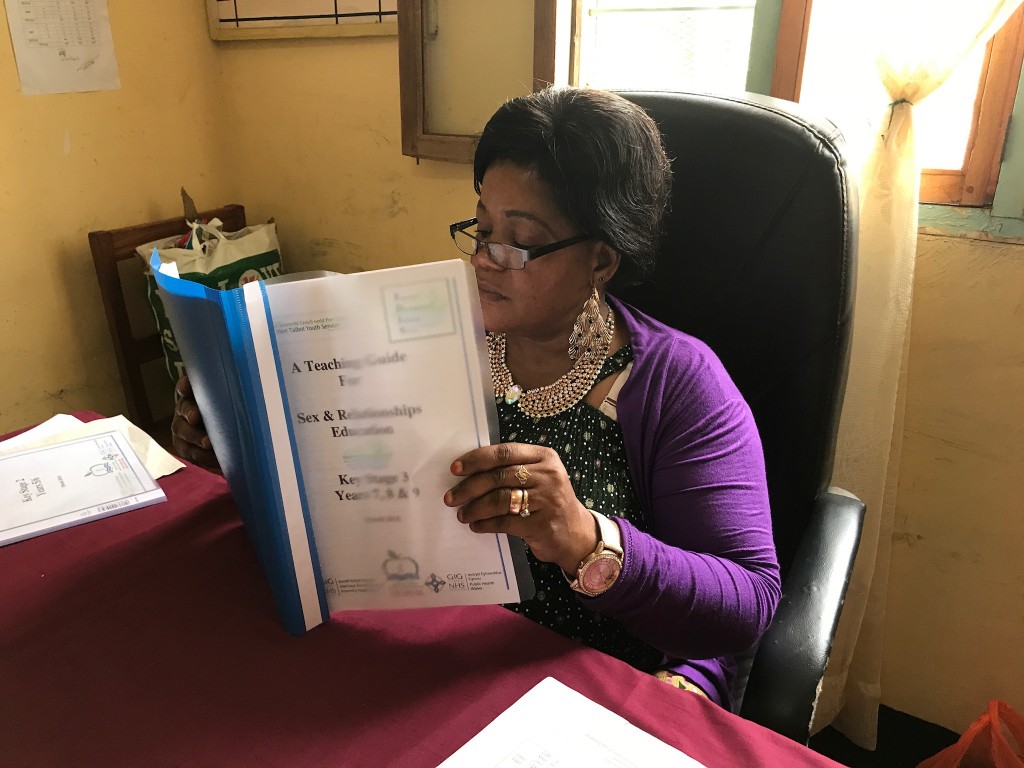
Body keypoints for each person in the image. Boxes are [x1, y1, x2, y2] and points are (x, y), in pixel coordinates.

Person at [172, 86, 780, 709]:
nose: (485, 260)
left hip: (586, 685)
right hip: (432, 656)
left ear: (600, 260)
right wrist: (243, 449)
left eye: (518, 241)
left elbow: (748, 602)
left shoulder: (677, 383)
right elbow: (348, 485)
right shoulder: (428, 334)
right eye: (482, 228)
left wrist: (582, 536)